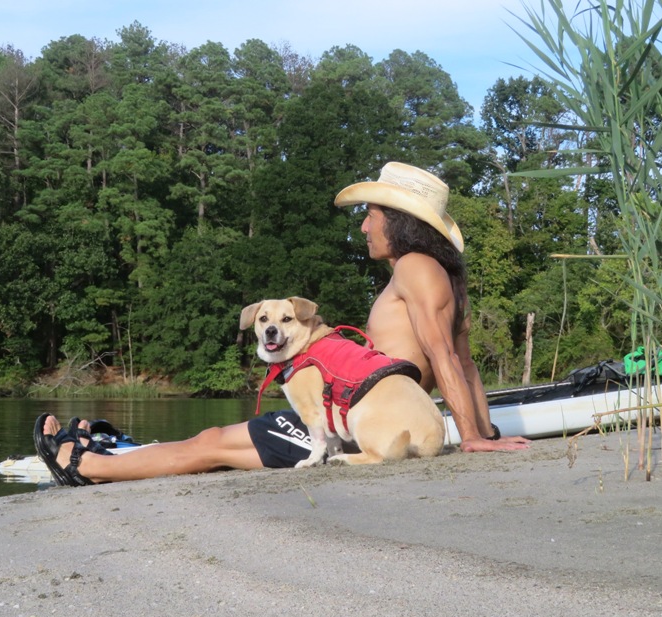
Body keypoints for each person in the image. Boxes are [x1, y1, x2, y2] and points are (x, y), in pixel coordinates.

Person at [35, 162, 529, 486]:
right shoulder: (439, 275)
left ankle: (87, 466)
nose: (363, 226)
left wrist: (472, 440)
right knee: (215, 441)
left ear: (397, 221)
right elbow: (466, 366)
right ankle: (103, 461)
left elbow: (444, 356)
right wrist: (484, 430)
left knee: (211, 445)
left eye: (371, 215)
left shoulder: (414, 267)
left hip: (361, 424)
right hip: (370, 416)